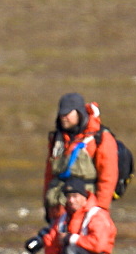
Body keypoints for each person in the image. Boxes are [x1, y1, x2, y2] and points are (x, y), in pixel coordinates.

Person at [42, 92, 120, 224]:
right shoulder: (57, 138)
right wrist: (47, 206)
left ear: (79, 113)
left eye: (67, 114)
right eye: (61, 114)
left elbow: (108, 178)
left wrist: (100, 211)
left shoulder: (100, 138)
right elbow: (49, 175)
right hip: (58, 207)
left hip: (87, 209)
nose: (63, 118)